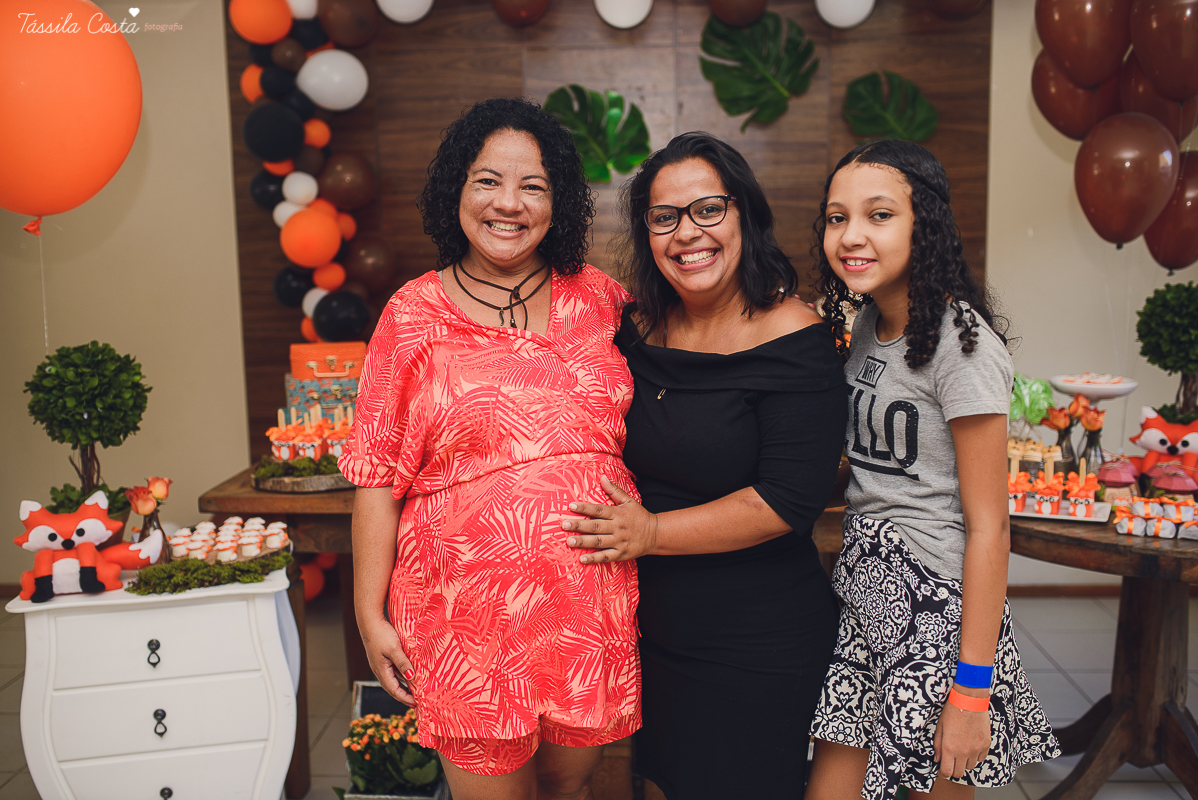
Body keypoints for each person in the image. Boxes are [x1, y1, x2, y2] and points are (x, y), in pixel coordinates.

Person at [338, 97, 641, 800]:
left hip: (584, 611)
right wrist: (368, 612)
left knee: (569, 790)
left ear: (557, 203)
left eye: (532, 186)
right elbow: (376, 475)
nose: (509, 203)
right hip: (462, 622)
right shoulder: (412, 315)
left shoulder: (600, 298)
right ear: (457, 192)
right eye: (488, 181)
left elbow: (689, 367)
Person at [560, 132, 848, 799]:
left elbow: (787, 499)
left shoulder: (795, 338)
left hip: (753, 639)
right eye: (664, 218)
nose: (687, 233)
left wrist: (649, 533)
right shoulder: (637, 330)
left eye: (708, 209)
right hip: (650, 631)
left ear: (744, 213)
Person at [804, 140, 1059, 800]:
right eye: (837, 218)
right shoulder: (870, 325)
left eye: (878, 215)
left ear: (928, 226)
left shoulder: (960, 343)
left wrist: (971, 692)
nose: (851, 235)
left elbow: (989, 527)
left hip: (937, 616)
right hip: (864, 603)